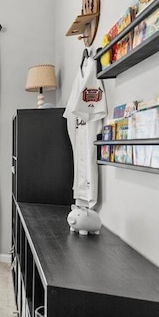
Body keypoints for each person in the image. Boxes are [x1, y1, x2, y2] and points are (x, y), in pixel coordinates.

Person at [63, 49, 107, 209]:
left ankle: (86, 200)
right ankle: (83, 200)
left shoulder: (90, 73)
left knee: (88, 158)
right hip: (80, 138)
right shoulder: (79, 78)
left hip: (88, 136)